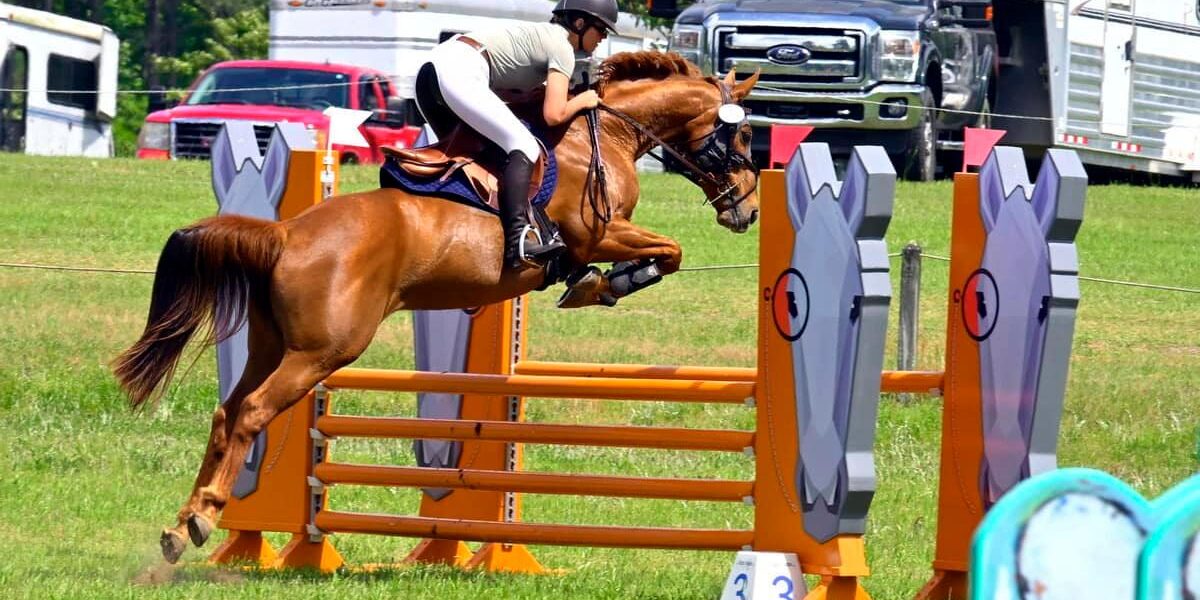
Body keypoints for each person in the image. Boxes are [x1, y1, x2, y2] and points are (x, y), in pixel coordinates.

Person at [414, 0, 618, 270]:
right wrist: (585, 100)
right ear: (579, 24)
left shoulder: (541, 38)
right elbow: (554, 115)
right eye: (601, 30)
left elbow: (507, 93)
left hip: (432, 73)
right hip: (458, 72)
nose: (602, 38)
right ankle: (517, 241)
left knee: (474, 154)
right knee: (523, 145)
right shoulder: (562, 47)